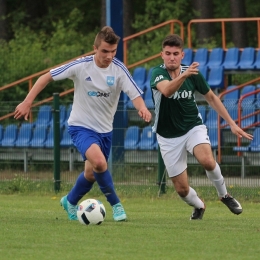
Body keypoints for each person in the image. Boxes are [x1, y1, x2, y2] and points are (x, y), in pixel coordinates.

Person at [14, 26, 152, 221]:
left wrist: (142, 108)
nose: (109, 56)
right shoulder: (81, 66)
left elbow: (135, 94)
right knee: (99, 162)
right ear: (95, 48)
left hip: (105, 131)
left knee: (91, 173)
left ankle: (69, 201)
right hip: (81, 126)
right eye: (105, 51)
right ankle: (116, 205)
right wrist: (28, 102)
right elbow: (45, 77)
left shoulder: (119, 69)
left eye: (113, 51)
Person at [150, 34, 253, 220]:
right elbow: (166, 91)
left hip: (192, 127)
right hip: (167, 135)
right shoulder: (157, 72)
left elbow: (212, 98)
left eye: (175, 53)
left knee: (207, 160)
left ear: (182, 55)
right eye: (168, 53)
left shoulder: (192, 74)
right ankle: (199, 206)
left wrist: (232, 123)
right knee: (181, 190)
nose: (171, 57)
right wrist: (184, 75)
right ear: (162, 55)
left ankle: (224, 195)